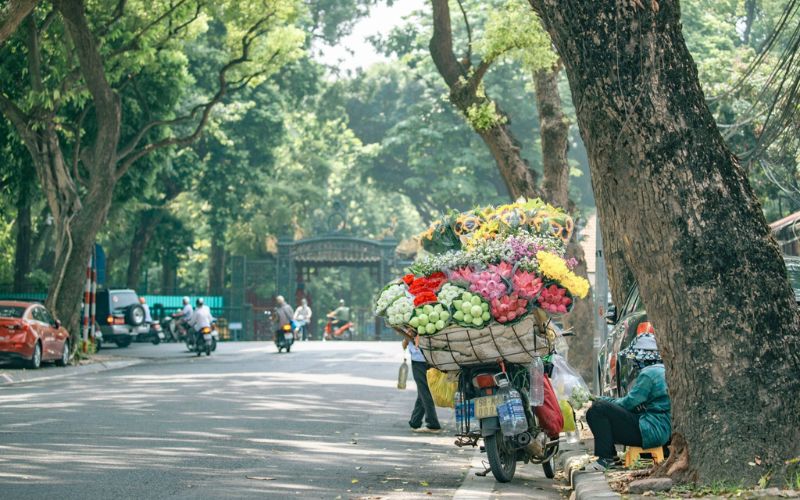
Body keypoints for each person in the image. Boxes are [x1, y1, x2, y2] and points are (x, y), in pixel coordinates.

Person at [584, 333, 671, 470]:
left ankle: (605, 459)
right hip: (664, 431)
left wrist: (601, 399)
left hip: (650, 431)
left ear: (642, 359)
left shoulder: (649, 374)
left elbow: (628, 404)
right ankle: (611, 457)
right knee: (600, 408)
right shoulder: (665, 370)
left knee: (597, 410)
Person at [402, 335, 441, 433]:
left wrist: (406, 339)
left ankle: (433, 424)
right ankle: (415, 421)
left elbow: (413, 332)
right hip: (432, 357)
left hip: (419, 358)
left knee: (424, 390)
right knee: (423, 390)